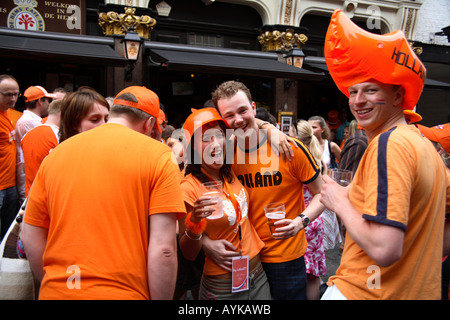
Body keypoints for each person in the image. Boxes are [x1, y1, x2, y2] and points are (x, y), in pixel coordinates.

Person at [320, 9, 450, 300]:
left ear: (398, 96)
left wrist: (340, 202)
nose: (357, 101)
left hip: (365, 292)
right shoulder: (426, 149)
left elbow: (384, 248)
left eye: (370, 90)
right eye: (353, 92)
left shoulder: (388, 144)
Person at [21, 86, 186, 299]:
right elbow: (164, 250)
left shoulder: (55, 156)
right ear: (149, 124)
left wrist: (53, 283)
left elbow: (30, 234)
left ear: (113, 114)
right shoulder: (160, 157)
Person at [211, 80, 325, 300]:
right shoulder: (224, 154)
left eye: (243, 110)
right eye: (229, 115)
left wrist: (301, 221)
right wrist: (206, 241)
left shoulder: (288, 148)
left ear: (253, 108)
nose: (238, 119)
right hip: (243, 257)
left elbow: (322, 193)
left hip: (285, 258)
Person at [178, 107, 271, 300]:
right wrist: (196, 223)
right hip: (222, 285)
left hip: (258, 275)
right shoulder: (189, 188)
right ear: (192, 147)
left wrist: (271, 129)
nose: (216, 144)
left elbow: (247, 127)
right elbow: (188, 252)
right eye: (206, 139)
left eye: (219, 135)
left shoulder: (229, 172)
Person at [295, 119, 327, 300]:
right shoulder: (319, 160)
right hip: (316, 218)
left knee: (298, 272)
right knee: (314, 275)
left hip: (299, 218)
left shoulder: (295, 160)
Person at [15, 86, 56, 200]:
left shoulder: (32, 120)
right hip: (31, 180)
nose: (49, 104)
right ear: (40, 101)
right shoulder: (29, 122)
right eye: (47, 100)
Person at [21, 100, 62, 198]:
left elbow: (23, 167)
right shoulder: (59, 135)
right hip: (49, 196)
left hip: (31, 195)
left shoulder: (27, 135)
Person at [0, 75, 21, 240]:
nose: (12, 98)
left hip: (10, 183)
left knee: (7, 232)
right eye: (7, 94)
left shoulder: (12, 115)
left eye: (16, 94)